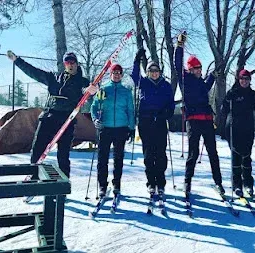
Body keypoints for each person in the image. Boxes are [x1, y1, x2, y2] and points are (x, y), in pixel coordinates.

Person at [6, 51, 96, 179]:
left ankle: (63, 185)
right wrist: (17, 60)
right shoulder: (54, 77)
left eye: (72, 62)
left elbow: (91, 94)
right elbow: (34, 72)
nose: (70, 65)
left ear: (77, 64)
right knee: (37, 148)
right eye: (67, 62)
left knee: (63, 154)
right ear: (64, 64)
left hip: (66, 120)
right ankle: (34, 176)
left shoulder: (82, 82)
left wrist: (94, 90)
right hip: (49, 116)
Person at [174, 33, 225, 195]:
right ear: (190, 69)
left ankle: (218, 182)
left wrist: (213, 75)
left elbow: (206, 87)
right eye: (197, 68)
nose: (199, 71)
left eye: (200, 68)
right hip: (193, 121)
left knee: (213, 152)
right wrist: (179, 47)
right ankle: (187, 181)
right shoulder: (185, 80)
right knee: (193, 153)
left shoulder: (202, 83)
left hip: (207, 121)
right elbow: (177, 64)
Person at [131, 49, 175, 195]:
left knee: (160, 154)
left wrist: (168, 112)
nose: (154, 73)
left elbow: (171, 103)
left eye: (156, 71)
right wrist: (137, 60)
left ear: (160, 72)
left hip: (160, 122)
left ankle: (160, 182)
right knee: (148, 154)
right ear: (148, 72)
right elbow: (134, 75)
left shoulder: (166, 85)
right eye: (151, 71)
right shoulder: (144, 83)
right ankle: (151, 182)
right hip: (146, 122)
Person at [91, 64, 135, 197]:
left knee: (118, 158)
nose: (116, 75)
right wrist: (95, 120)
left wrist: (132, 128)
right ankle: (102, 185)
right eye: (114, 73)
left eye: (119, 73)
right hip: (105, 128)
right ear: (110, 75)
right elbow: (94, 107)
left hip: (121, 128)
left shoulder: (126, 92)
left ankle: (117, 184)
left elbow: (130, 111)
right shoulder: (104, 90)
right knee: (102, 158)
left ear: (121, 75)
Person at [221, 69, 255, 197]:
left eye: (246, 79)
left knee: (247, 157)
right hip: (233, 128)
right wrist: (227, 99)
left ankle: (248, 183)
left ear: (249, 81)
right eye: (242, 79)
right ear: (239, 79)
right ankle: (237, 184)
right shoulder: (233, 93)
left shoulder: (253, 94)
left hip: (248, 129)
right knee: (236, 157)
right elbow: (224, 109)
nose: (244, 81)